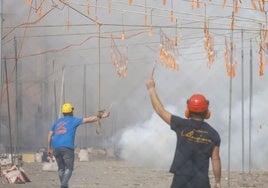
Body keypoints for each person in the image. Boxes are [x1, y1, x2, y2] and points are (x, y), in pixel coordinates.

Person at [146, 72, 221, 188]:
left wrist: (151, 89)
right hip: (201, 180)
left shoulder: (181, 125)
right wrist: (217, 182)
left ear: (188, 111)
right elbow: (215, 159)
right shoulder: (213, 134)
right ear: (207, 112)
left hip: (180, 179)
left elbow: (160, 110)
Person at [47, 103, 110, 188]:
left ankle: (64, 185)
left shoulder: (57, 122)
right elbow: (89, 119)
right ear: (71, 111)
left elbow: (49, 135)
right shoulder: (73, 120)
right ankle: (63, 185)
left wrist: (49, 149)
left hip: (56, 147)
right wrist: (102, 116)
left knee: (61, 168)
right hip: (67, 147)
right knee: (69, 168)